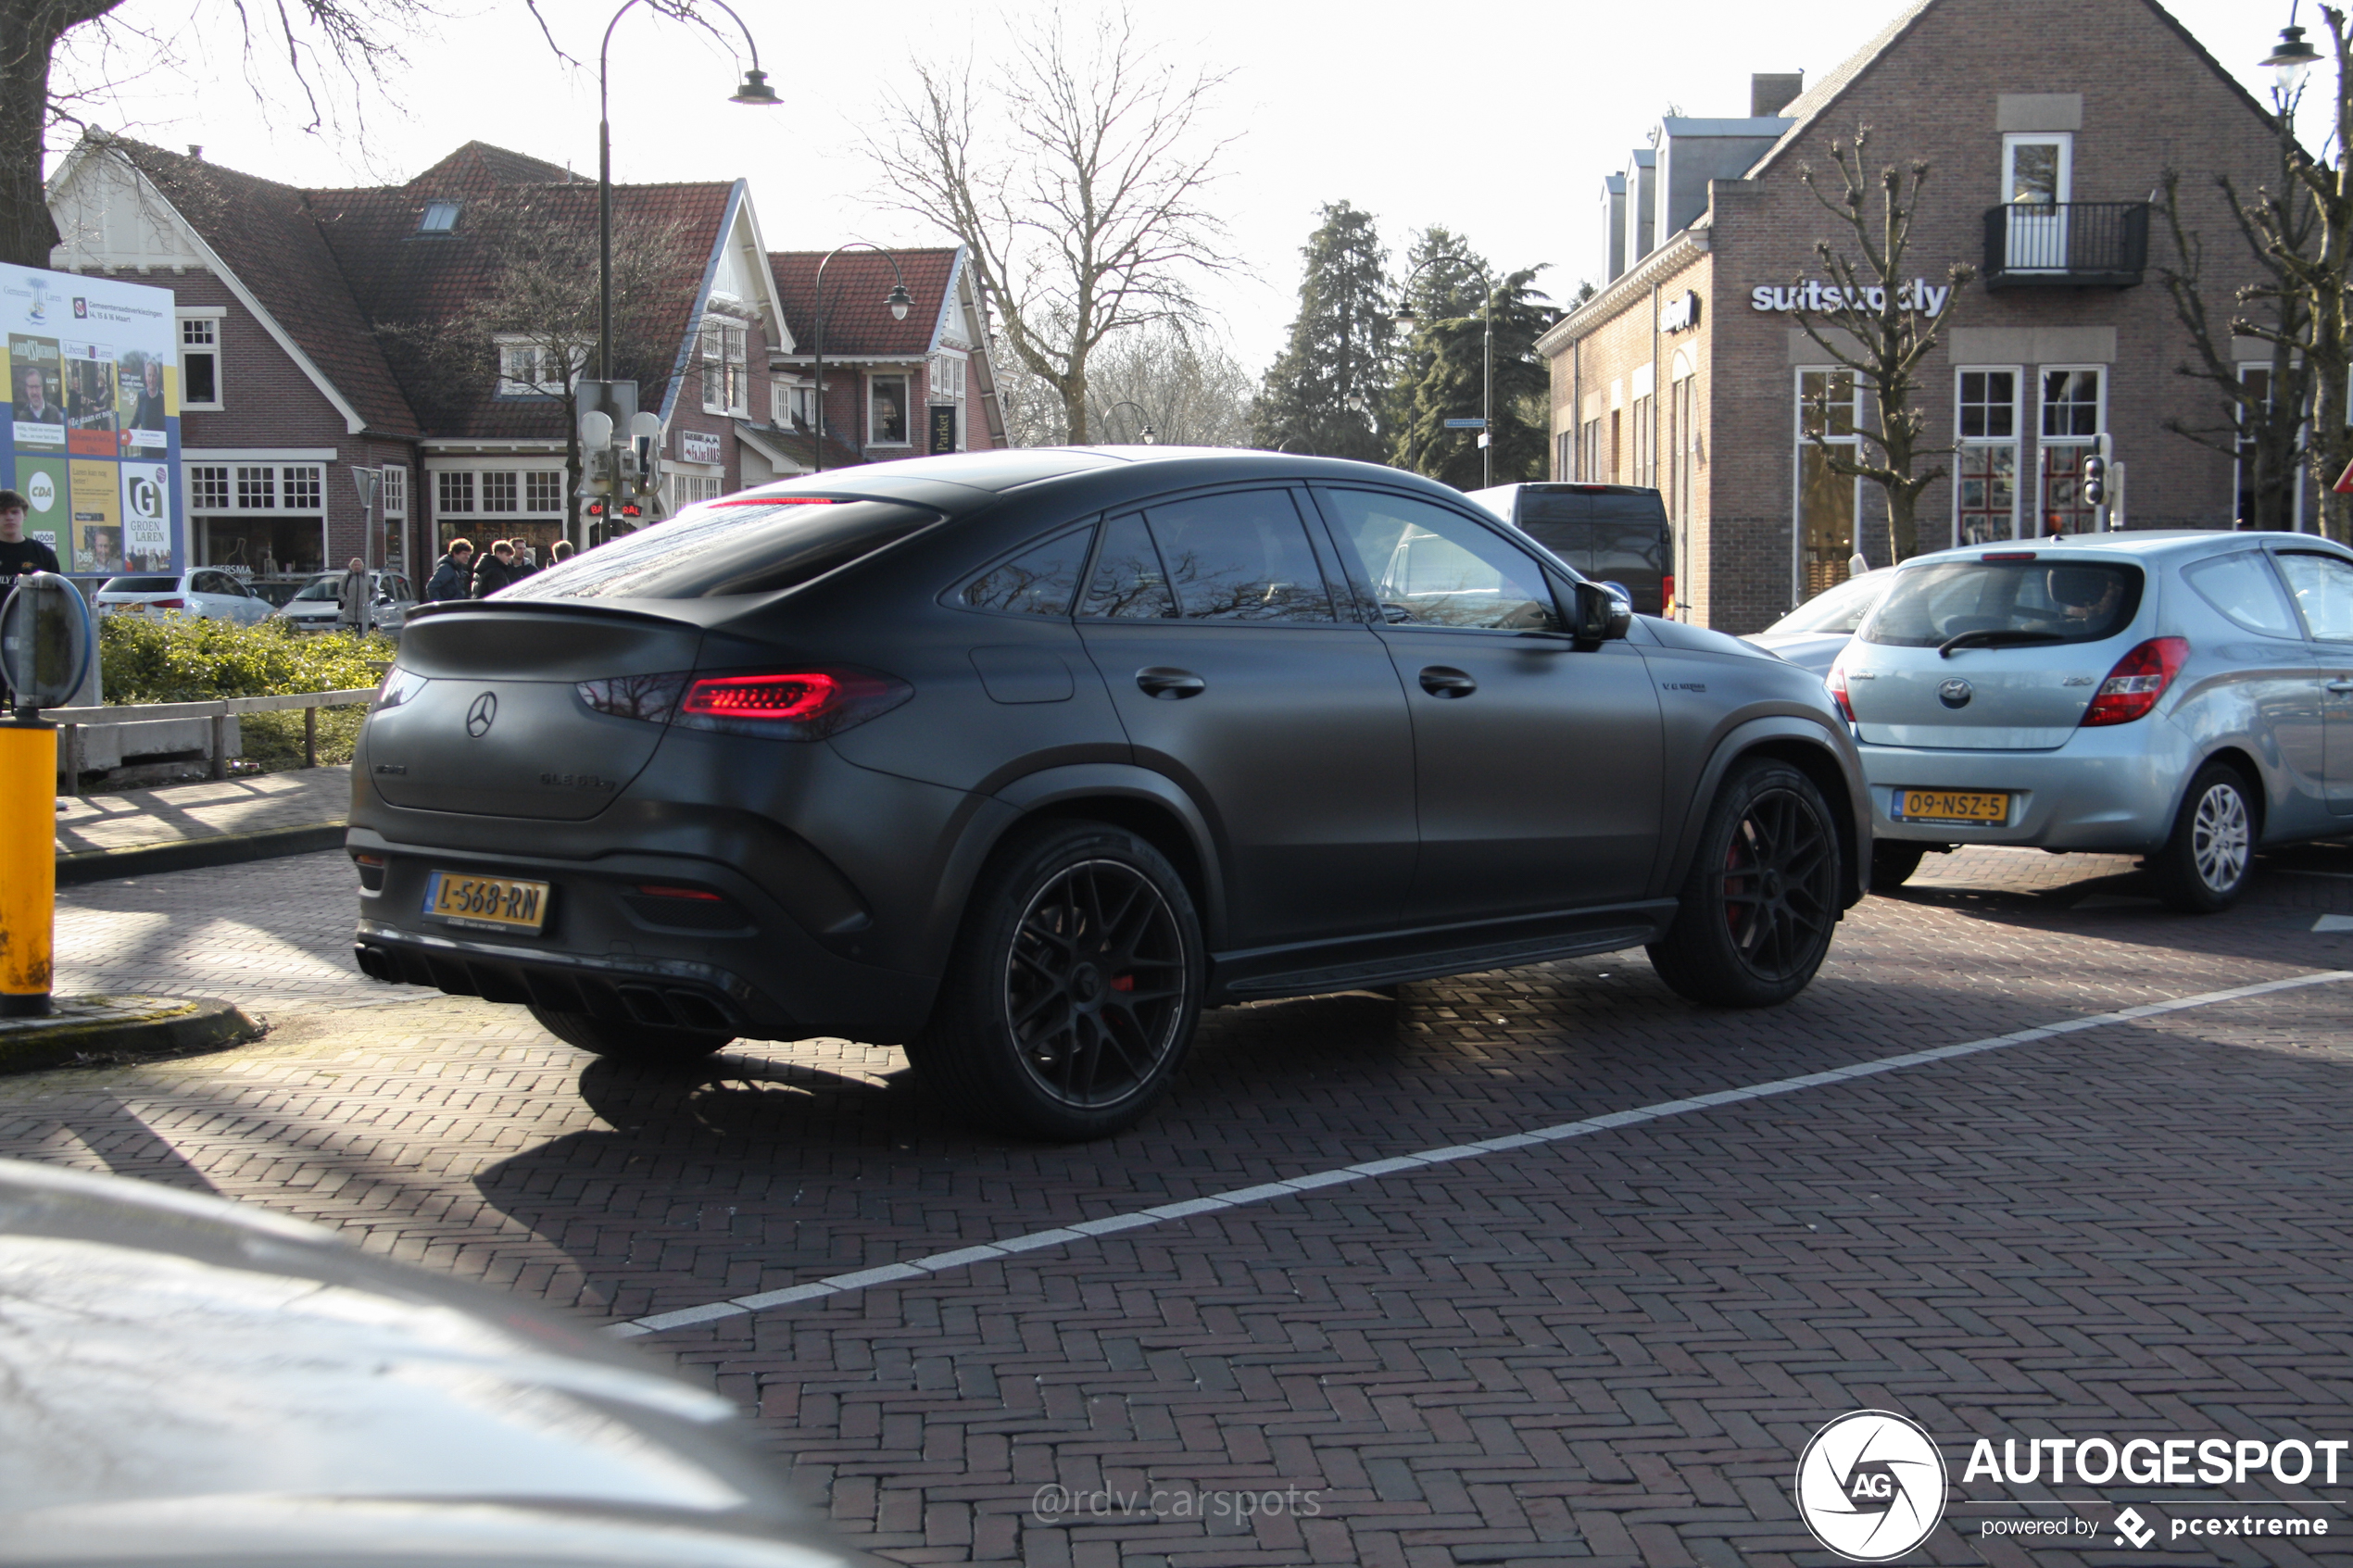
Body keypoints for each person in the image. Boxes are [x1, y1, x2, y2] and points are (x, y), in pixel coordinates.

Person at [0, 488, 60, 601]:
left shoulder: (43, 554)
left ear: (25, 514)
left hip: (33, 618)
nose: (9, 517)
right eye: (2, 512)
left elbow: (56, 597)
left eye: (14, 512)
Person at [426, 538, 474, 602]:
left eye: (469, 554)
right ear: (454, 553)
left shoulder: (459, 569)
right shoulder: (446, 568)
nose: (467, 557)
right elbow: (431, 586)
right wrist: (440, 607)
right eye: (464, 553)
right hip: (449, 609)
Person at [338, 556, 373, 636]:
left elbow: (375, 590)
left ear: (362, 566)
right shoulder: (346, 578)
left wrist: (369, 599)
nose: (357, 567)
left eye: (358, 565)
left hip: (363, 611)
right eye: (355, 565)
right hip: (350, 611)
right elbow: (340, 591)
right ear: (351, 566)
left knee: (364, 634)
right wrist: (345, 600)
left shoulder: (367, 578)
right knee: (350, 633)